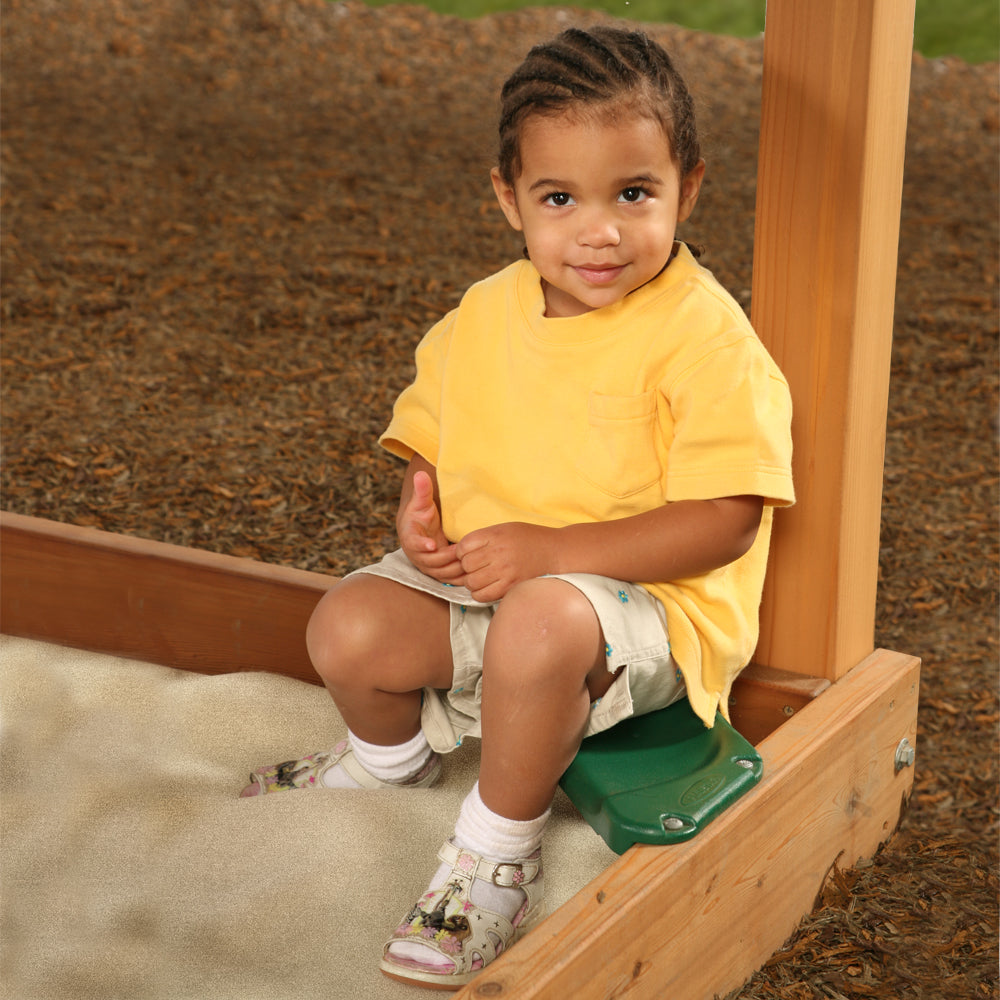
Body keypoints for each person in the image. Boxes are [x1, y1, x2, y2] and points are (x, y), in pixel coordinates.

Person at [241, 25, 794, 990]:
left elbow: (725, 522)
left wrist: (551, 551)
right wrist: (420, 518)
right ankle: (390, 762)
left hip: (647, 612)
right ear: (509, 199)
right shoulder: (485, 313)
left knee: (539, 621)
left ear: (688, 187)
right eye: (559, 198)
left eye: (634, 193)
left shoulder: (706, 340)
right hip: (500, 579)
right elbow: (431, 444)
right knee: (350, 625)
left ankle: (495, 853)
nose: (599, 231)